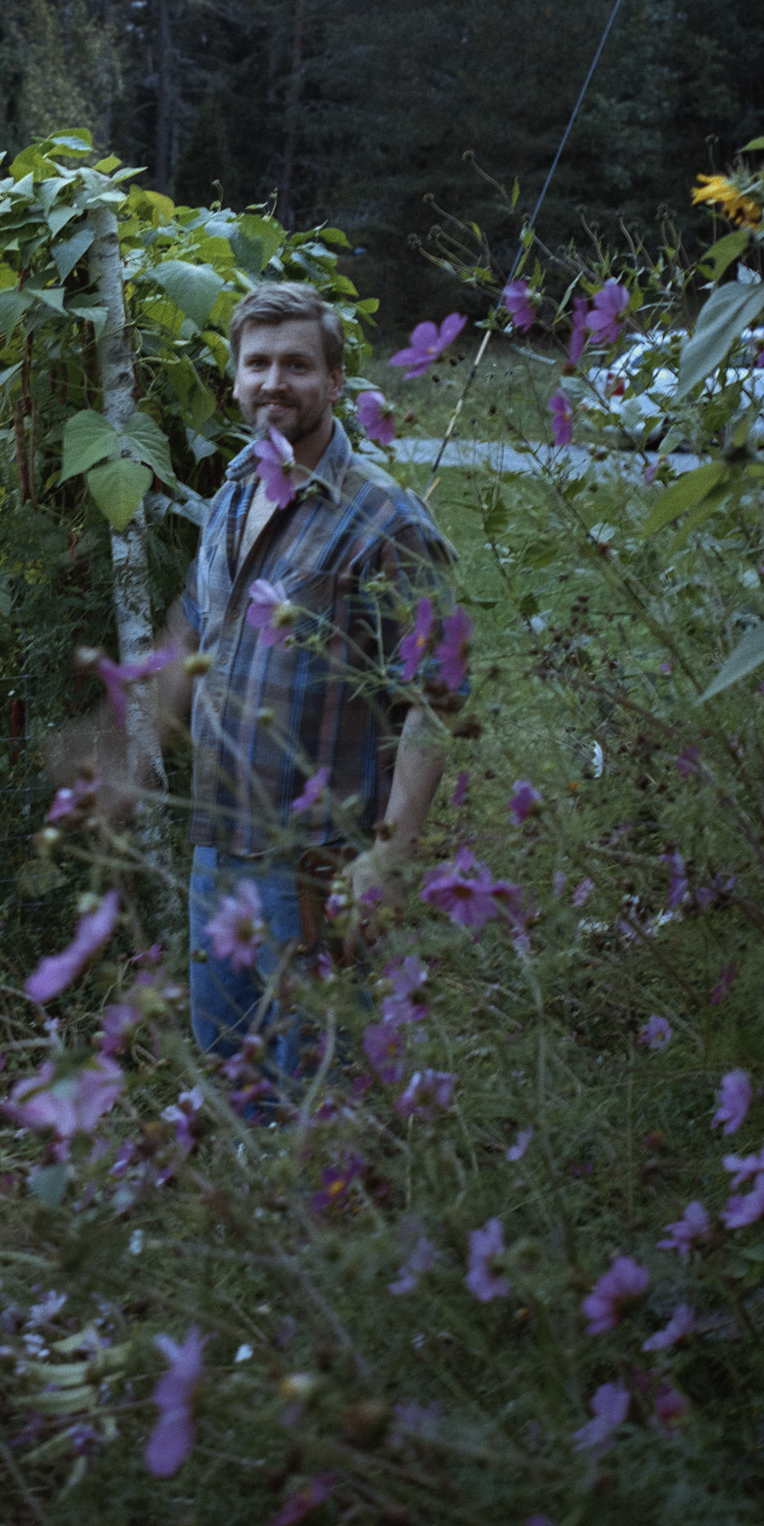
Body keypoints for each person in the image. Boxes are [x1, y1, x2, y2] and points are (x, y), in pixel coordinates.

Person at [151, 280, 461, 1082]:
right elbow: (196, 629)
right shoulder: (230, 497)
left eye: (296, 364)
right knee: (230, 1075)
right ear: (235, 380)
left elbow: (437, 698)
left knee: (317, 1095)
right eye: (257, 364)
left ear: (335, 380)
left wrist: (388, 859)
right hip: (219, 848)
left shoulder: (386, 519)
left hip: (317, 867)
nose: (274, 383)